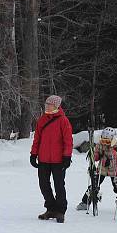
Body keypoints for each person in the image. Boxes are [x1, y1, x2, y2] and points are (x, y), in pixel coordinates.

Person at [30, 95, 73, 223]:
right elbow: (37, 139)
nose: (46, 106)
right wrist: (33, 154)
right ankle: (51, 208)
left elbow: (68, 141)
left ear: (56, 106)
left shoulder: (63, 120)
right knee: (43, 184)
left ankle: (60, 211)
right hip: (43, 159)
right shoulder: (42, 120)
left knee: (59, 185)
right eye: (46, 104)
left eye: (49, 104)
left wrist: (67, 156)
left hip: (59, 160)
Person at [76, 127, 117, 216]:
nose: (105, 143)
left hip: (114, 170)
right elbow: (96, 156)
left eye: (107, 142)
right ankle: (85, 202)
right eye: (103, 141)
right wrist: (94, 155)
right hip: (102, 169)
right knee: (95, 184)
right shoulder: (100, 144)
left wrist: (110, 155)